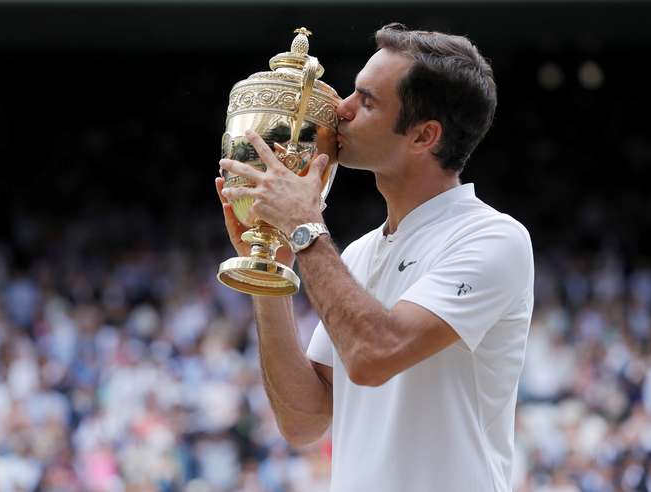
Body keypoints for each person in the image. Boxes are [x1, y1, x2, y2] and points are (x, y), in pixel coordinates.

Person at [216, 23, 534, 492]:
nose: (340, 110)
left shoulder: (492, 238)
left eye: (367, 101)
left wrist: (305, 231)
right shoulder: (362, 251)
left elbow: (375, 355)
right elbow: (304, 420)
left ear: (424, 136)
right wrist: (272, 265)